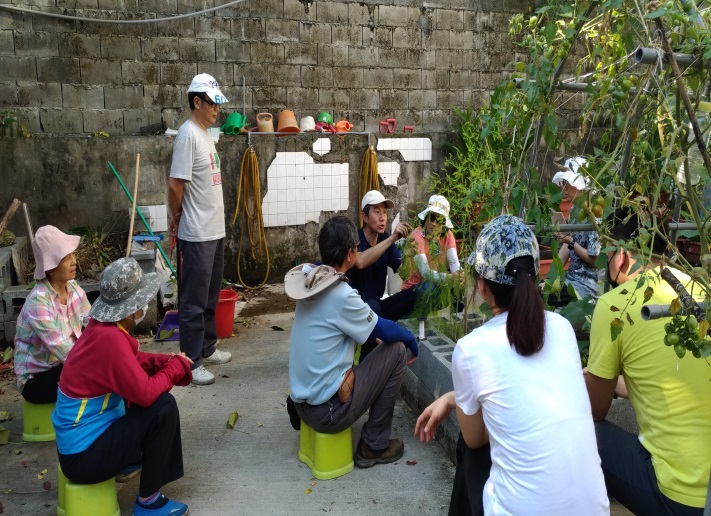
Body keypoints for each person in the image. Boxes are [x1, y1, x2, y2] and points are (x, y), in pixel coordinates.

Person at [415, 215, 609, 515]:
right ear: (533, 277)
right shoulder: (561, 327)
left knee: (471, 448)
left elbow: (476, 437)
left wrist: (453, 399)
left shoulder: (472, 349)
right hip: (594, 510)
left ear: (482, 286)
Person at [585, 208, 711, 514]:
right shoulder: (699, 290)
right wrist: (618, 383)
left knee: (582, 432)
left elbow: (594, 409)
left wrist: (591, 378)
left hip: (680, 498)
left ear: (623, 255)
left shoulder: (615, 306)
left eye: (607, 253)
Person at [53, 257, 193, 516]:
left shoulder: (101, 328)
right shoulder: (110, 339)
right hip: (84, 458)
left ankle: (128, 462)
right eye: (142, 301)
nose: (144, 306)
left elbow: (132, 362)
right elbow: (145, 394)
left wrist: (170, 361)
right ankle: (148, 502)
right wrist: (174, 369)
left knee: (143, 400)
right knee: (163, 407)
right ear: (132, 308)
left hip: (79, 448)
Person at [285, 216, 419, 467]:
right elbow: (385, 330)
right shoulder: (341, 295)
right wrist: (411, 339)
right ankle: (374, 445)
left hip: (301, 402)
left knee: (374, 344)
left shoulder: (310, 281)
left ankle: (307, 408)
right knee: (398, 350)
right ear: (350, 255)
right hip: (328, 413)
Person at [168, 73, 231, 386]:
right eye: (212, 103)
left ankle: (207, 347)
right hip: (196, 234)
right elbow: (175, 183)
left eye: (218, 103)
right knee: (192, 302)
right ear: (197, 102)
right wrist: (176, 217)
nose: (217, 108)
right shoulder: (187, 134)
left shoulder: (206, 134)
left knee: (210, 296)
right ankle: (189, 364)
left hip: (214, 231)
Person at [14, 225, 90, 404]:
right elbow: (64, 351)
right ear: (50, 268)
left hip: (66, 365)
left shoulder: (74, 289)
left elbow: (93, 323)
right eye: (66, 258)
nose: (74, 262)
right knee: (96, 379)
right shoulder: (38, 302)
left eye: (73, 255)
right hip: (37, 378)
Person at [346, 190, 415, 322]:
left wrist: (409, 255)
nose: (382, 217)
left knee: (417, 293)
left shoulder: (385, 238)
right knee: (372, 307)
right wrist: (393, 238)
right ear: (365, 217)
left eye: (384, 212)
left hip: (378, 307)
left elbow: (406, 274)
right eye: (377, 212)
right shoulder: (354, 237)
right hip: (356, 310)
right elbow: (359, 261)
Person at [400, 195, 463, 315]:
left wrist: (460, 276)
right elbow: (426, 273)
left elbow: (454, 264)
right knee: (429, 286)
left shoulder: (448, 235)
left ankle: (457, 321)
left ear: (444, 223)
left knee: (459, 285)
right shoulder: (417, 236)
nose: (433, 223)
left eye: (438, 220)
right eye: (431, 217)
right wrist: (451, 278)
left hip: (433, 287)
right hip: (414, 290)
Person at [550, 156, 600, 305]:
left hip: (587, 285)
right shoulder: (574, 208)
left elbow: (594, 259)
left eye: (567, 183)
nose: (563, 187)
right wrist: (553, 277)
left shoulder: (595, 214)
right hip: (571, 279)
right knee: (543, 292)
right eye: (563, 183)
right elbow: (567, 244)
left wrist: (571, 242)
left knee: (549, 298)